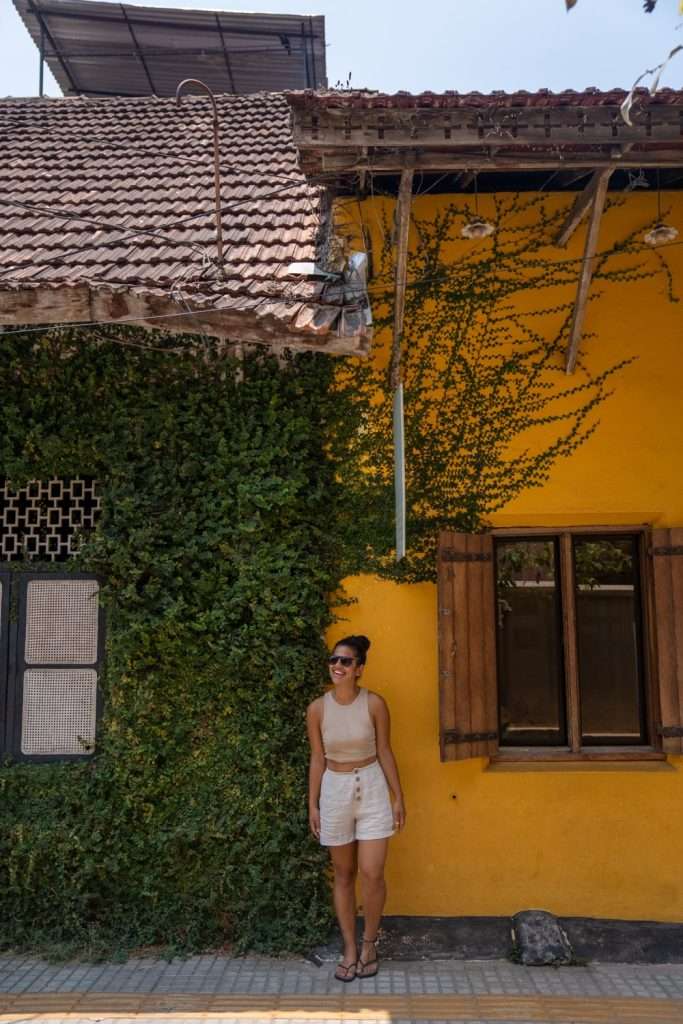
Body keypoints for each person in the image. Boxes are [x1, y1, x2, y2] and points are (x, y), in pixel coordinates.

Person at [306, 634, 405, 982]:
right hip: (334, 791)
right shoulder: (317, 709)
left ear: (359, 669)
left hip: (373, 787)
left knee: (372, 873)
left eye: (346, 661)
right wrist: (313, 804)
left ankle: (369, 944)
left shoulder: (374, 704)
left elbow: (386, 752)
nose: (337, 666)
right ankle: (349, 949)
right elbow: (317, 758)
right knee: (344, 874)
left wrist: (398, 796)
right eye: (334, 660)